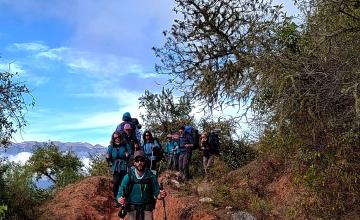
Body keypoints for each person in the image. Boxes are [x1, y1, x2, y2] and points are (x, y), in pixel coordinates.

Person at [117, 150, 167, 220]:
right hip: (132, 208)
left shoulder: (151, 176)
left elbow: (157, 193)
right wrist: (119, 198)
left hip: (147, 209)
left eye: (142, 160)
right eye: (137, 160)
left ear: (145, 161)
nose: (139, 163)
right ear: (134, 163)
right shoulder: (128, 176)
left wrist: (161, 195)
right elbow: (121, 190)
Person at [106, 131, 131, 207]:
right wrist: (107, 157)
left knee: (123, 183)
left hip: (123, 166)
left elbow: (130, 153)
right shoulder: (111, 147)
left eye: (118, 137)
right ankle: (117, 199)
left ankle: (123, 198)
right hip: (115, 167)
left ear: (120, 137)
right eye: (115, 138)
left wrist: (127, 155)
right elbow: (108, 157)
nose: (117, 139)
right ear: (113, 138)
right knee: (116, 182)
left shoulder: (125, 145)